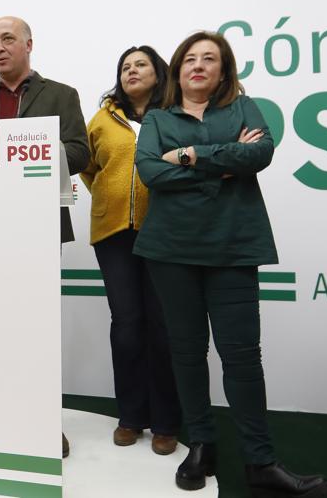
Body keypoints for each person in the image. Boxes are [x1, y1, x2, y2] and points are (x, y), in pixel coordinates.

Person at [135, 31, 327, 496]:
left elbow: (259, 153)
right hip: (170, 251)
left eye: (210, 59)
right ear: (178, 69)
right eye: (190, 59)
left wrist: (190, 155)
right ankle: (201, 444)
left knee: (242, 358)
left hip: (235, 247)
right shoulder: (158, 118)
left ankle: (260, 462)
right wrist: (224, 164)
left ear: (224, 71)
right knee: (186, 352)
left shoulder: (244, 107)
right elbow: (150, 172)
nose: (198, 65)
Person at [0, 15, 88, 458]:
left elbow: (80, 151)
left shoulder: (61, 95)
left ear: (30, 44)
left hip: (37, 225)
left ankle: (42, 421)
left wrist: (24, 149)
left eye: (7, 39)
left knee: (35, 329)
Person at [80, 46, 181, 455]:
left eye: (140, 65)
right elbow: (87, 167)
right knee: (126, 325)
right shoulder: (102, 119)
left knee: (162, 326)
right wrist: (110, 197)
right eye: (125, 66)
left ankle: (166, 421)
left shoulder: (174, 114)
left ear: (159, 73)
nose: (132, 71)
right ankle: (131, 416)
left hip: (164, 232)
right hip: (114, 234)